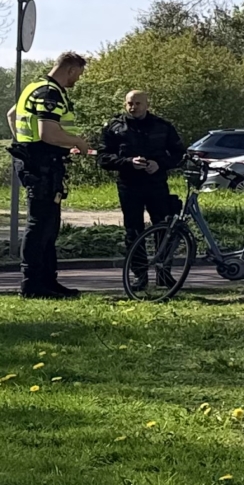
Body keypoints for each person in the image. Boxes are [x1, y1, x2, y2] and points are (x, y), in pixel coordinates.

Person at [9, 51, 89, 299]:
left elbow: (12, 115)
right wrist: (77, 142)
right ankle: (32, 283)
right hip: (42, 164)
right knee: (40, 225)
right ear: (71, 70)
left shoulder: (34, 86)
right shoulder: (50, 93)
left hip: (40, 161)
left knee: (49, 225)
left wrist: (24, 143)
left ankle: (47, 280)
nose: (78, 79)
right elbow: (48, 134)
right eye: (79, 74)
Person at [97, 88, 186, 285]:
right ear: (124, 104)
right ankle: (140, 275)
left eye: (138, 103)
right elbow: (103, 158)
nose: (133, 107)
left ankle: (164, 273)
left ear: (147, 105)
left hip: (156, 184)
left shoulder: (162, 126)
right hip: (129, 185)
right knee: (133, 231)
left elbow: (179, 154)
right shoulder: (114, 127)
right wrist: (128, 162)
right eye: (130, 103)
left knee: (164, 228)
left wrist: (159, 164)